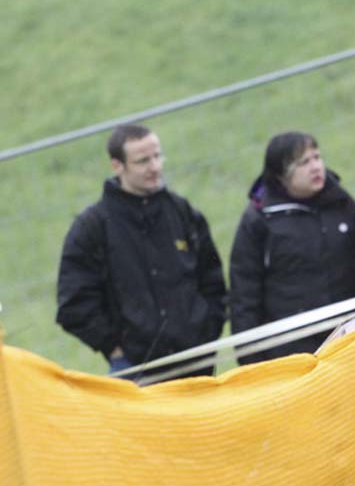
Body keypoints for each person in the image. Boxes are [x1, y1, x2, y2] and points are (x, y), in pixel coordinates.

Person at [56, 124, 227, 378]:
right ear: (117, 165)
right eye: (143, 161)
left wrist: (206, 330)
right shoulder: (92, 227)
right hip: (134, 371)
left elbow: (212, 280)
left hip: (196, 363)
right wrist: (114, 348)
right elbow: (74, 304)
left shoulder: (182, 212)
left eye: (158, 156)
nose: (155, 167)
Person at [229, 131, 355, 362]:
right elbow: (244, 297)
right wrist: (252, 362)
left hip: (351, 343)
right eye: (304, 162)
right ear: (281, 175)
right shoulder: (259, 220)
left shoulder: (343, 205)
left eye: (317, 158)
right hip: (291, 354)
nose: (315, 167)